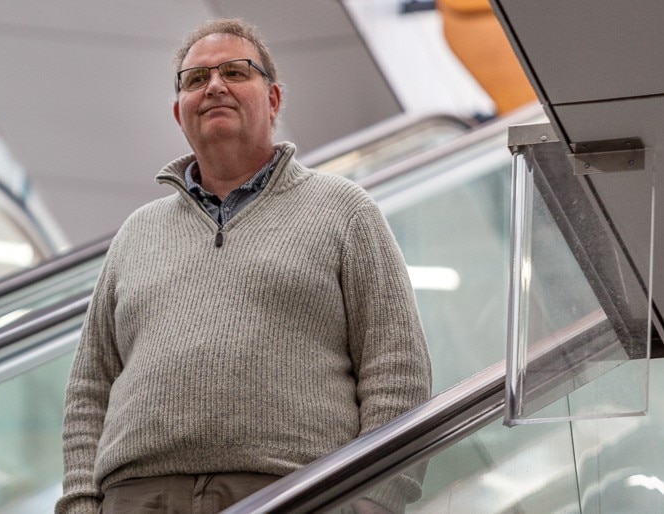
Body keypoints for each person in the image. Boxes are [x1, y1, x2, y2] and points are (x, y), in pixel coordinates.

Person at [55, 18, 432, 514]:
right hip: (136, 497)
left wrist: (375, 501)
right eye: (196, 79)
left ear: (273, 100)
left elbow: (396, 368)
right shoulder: (136, 233)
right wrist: (82, 506)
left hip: (295, 491)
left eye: (235, 72)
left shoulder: (344, 210)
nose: (214, 86)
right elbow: (88, 388)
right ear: (178, 113)